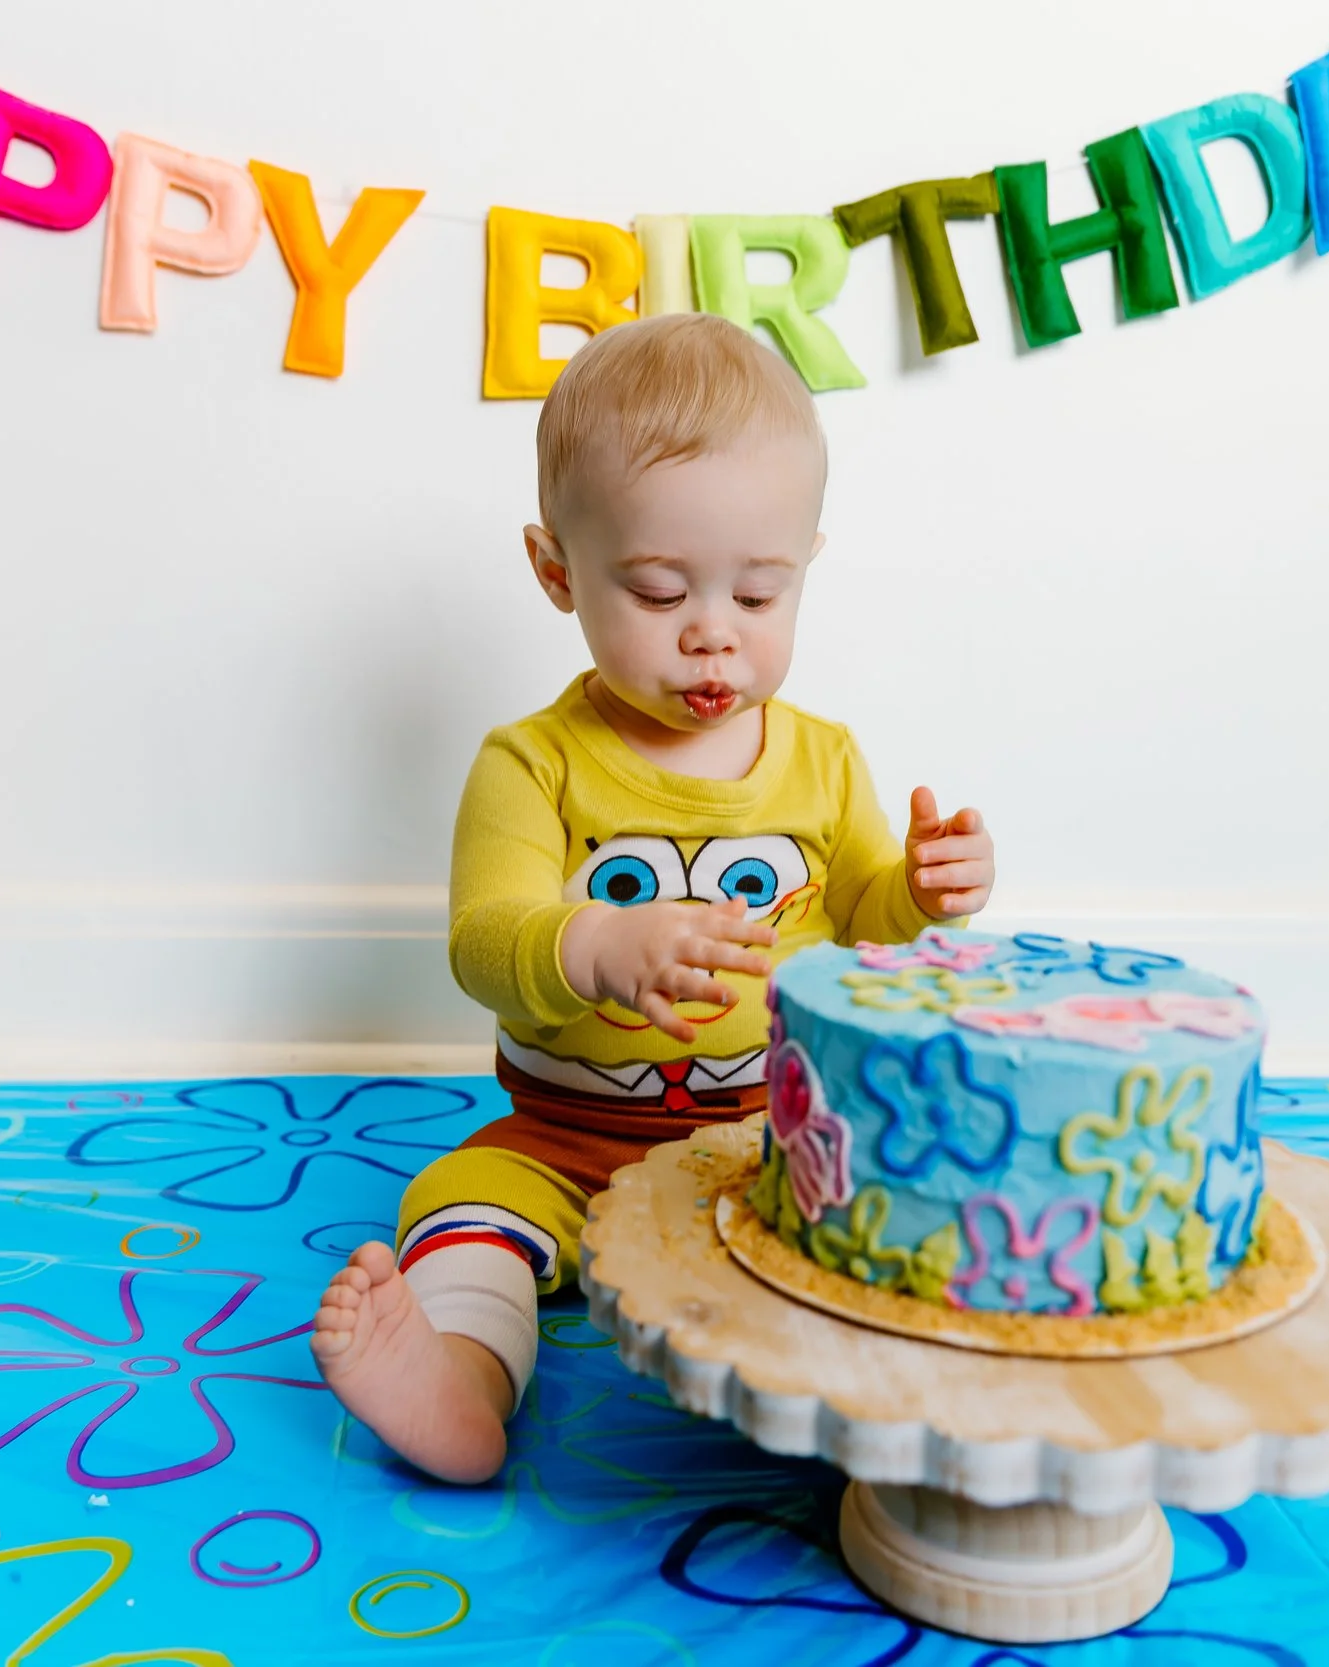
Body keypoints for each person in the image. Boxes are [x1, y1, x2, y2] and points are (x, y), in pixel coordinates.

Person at [312, 313, 996, 1482]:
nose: (710, 634)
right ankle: (460, 1382)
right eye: (662, 587)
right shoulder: (533, 763)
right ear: (557, 570)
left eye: (759, 594)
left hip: (771, 1137)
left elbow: (863, 915)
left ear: (804, 568)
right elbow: (483, 942)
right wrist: (592, 943)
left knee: (888, 1206)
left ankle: (885, 1405)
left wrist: (923, 890)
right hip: (565, 1139)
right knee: (463, 1206)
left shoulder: (822, 759)